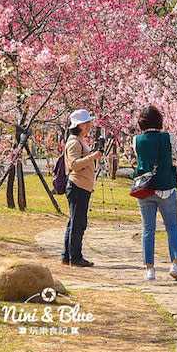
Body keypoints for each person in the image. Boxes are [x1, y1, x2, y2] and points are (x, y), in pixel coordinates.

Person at [132, 105, 177, 281]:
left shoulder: (137, 140)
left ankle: (149, 269)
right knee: (172, 227)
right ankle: (176, 264)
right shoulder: (167, 137)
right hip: (166, 187)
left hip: (145, 188)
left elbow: (139, 158)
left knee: (148, 229)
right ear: (159, 120)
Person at [61, 109, 103, 267]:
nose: (89, 126)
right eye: (86, 123)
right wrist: (92, 157)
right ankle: (75, 257)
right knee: (78, 223)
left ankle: (67, 256)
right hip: (77, 186)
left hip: (82, 187)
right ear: (79, 125)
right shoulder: (74, 142)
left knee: (74, 222)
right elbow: (74, 165)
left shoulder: (78, 140)